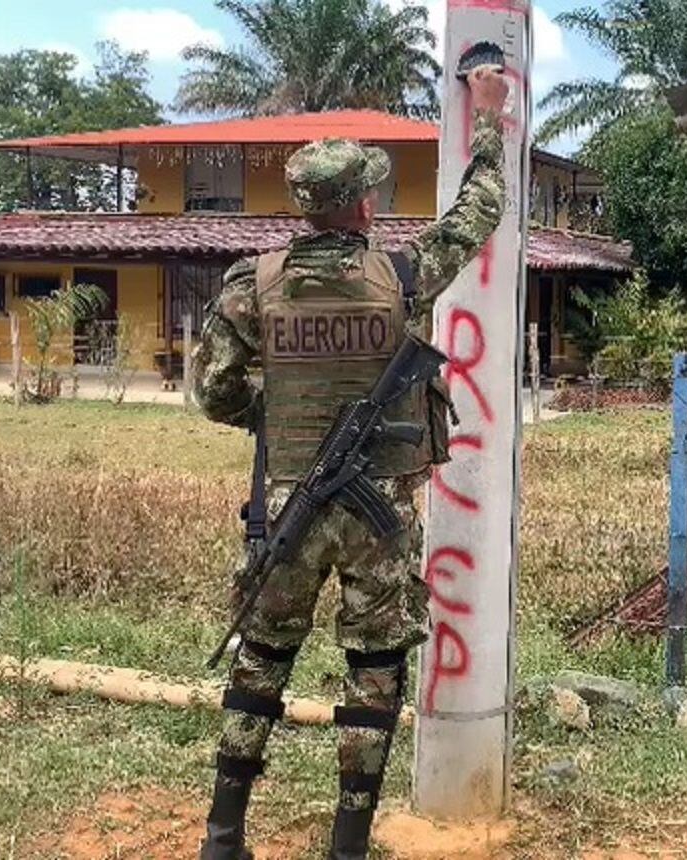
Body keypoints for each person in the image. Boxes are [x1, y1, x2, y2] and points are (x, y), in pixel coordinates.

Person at [192, 64, 510, 860]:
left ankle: (224, 835)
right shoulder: (401, 276)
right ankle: (348, 845)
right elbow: (480, 213)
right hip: (377, 512)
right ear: (362, 203)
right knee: (373, 669)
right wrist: (491, 118)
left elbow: (213, 391)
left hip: (289, 506)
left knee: (263, 658)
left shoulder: (250, 284)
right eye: (372, 190)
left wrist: (278, 417)